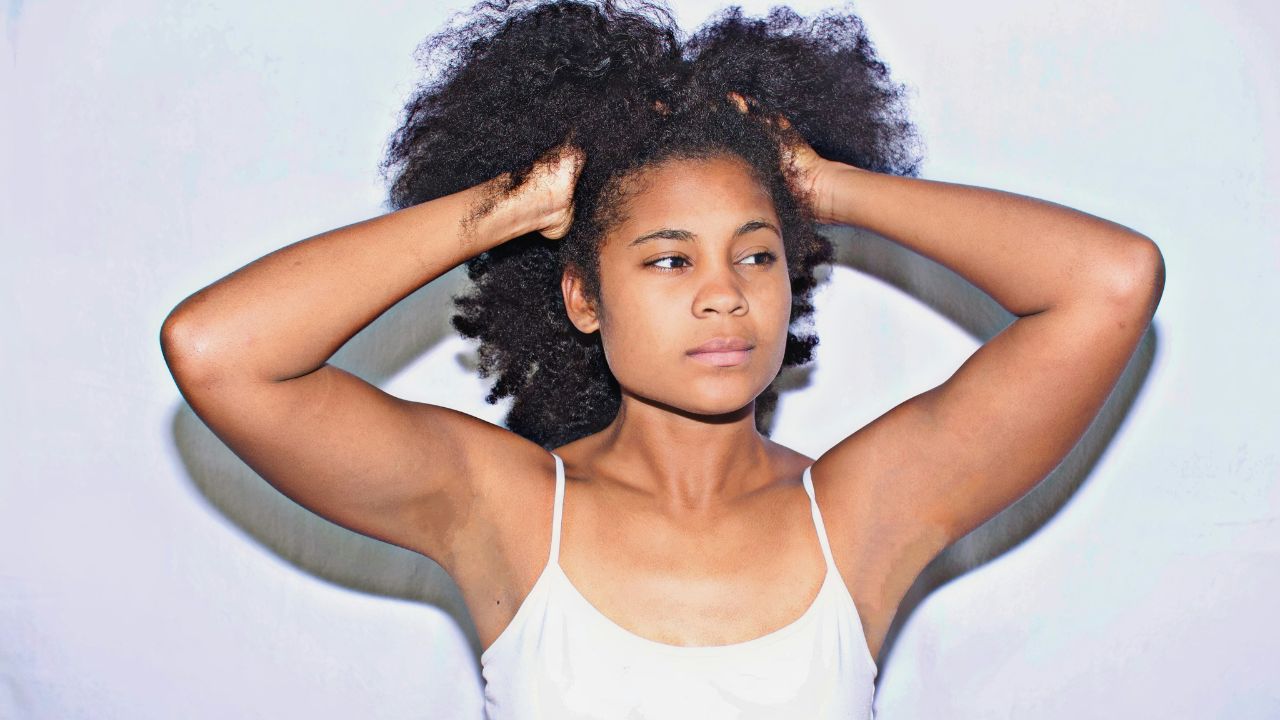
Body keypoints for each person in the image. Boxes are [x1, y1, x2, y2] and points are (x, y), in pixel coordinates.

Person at [159, 1, 1165, 717]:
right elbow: (217, 352)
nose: (722, 290)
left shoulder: (860, 515)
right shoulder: (503, 510)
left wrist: (817, 184)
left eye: (756, 252)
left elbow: (1110, 283)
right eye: (668, 256)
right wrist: (512, 207)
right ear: (581, 295)